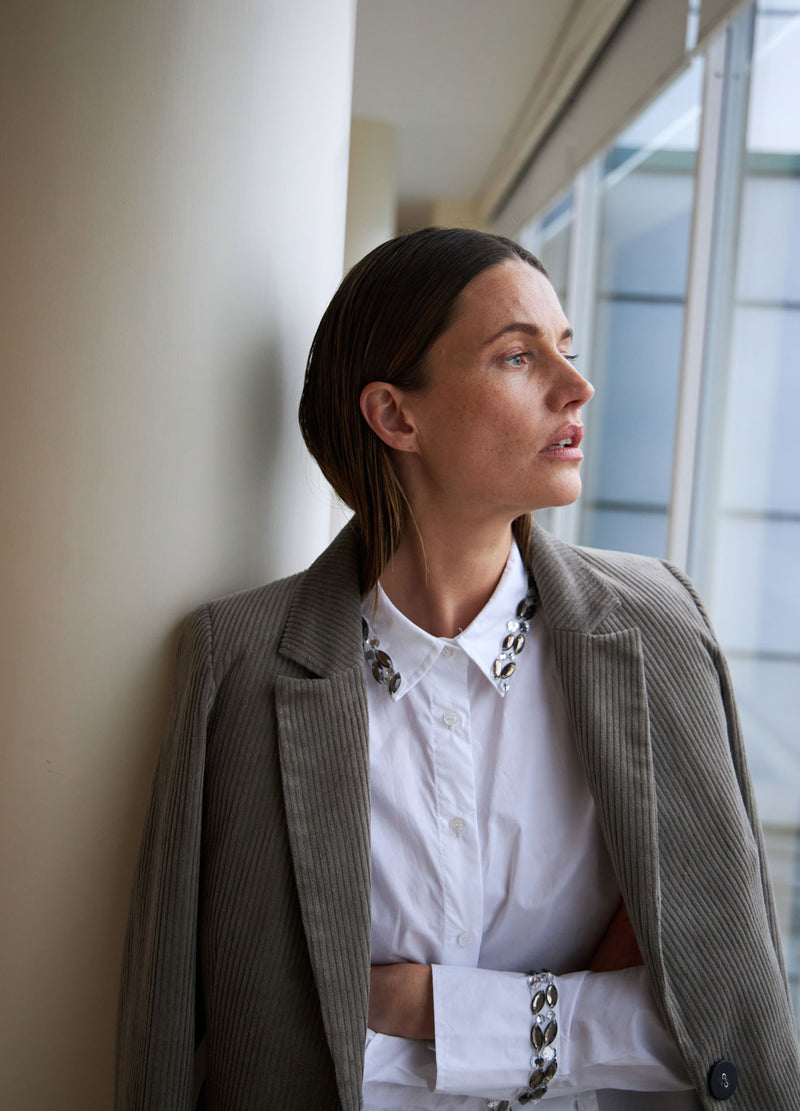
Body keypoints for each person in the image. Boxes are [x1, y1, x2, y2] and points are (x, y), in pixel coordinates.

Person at [115, 227, 800, 1111]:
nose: (577, 386)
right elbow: (217, 1040)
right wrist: (584, 1018)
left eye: (567, 349)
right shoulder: (238, 663)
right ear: (397, 414)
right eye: (519, 355)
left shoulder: (658, 630)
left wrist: (431, 1008)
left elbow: (720, 1029)